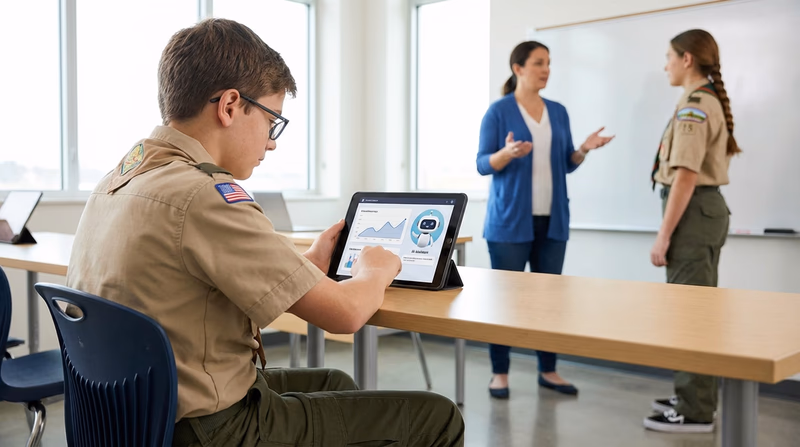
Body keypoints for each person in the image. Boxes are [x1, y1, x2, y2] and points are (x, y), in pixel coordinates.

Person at [65, 18, 464, 446]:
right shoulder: (204, 195)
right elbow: (345, 315)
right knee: (438, 417)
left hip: (129, 417)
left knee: (334, 379)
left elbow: (193, 293)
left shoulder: (117, 181)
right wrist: (377, 268)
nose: (271, 142)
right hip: (210, 430)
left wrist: (306, 266)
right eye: (272, 120)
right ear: (231, 106)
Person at [476, 41, 614, 399]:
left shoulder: (559, 111)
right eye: (539, 63)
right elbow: (481, 164)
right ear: (518, 68)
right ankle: (500, 373)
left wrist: (583, 149)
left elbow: (566, 163)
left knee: (549, 300)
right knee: (505, 301)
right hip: (508, 224)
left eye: (549, 63)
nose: (546, 70)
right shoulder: (498, 112)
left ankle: (548, 370)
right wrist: (505, 153)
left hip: (552, 222)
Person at [644, 29, 739, 434]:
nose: (664, 64)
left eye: (668, 56)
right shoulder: (700, 101)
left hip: (692, 214)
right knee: (697, 311)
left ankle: (695, 409)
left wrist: (664, 236)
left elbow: (685, 176)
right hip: (702, 212)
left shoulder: (695, 106)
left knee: (689, 314)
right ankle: (696, 398)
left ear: (687, 60)